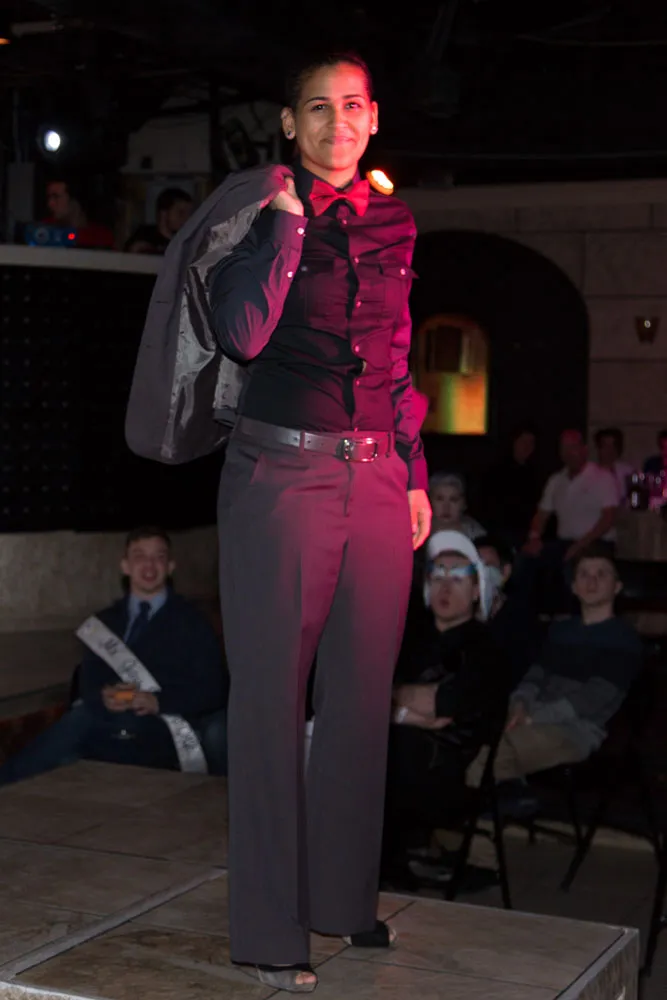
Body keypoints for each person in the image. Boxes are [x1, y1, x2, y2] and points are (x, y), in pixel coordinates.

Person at [210, 51, 431, 992]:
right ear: (290, 124)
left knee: (360, 701)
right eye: (316, 107)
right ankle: (268, 931)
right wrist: (286, 229)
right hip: (281, 479)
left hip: (378, 477)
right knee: (270, 707)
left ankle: (341, 899)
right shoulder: (256, 212)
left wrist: (414, 472)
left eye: (351, 106)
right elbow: (240, 333)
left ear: (372, 117)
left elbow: (397, 358)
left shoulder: (394, 221)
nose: (336, 122)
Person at [0, 527, 228, 785]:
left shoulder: (193, 623)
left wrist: (158, 702)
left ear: (170, 566)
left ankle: (7, 780)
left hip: (165, 727)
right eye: (140, 556)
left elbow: (213, 689)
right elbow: (88, 683)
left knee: (81, 729)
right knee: (73, 745)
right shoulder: (103, 623)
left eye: (159, 557)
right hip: (111, 718)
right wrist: (105, 696)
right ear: (125, 566)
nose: (149, 565)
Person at [384, 530, 509, 883]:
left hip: (446, 774)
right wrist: (408, 711)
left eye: (457, 577)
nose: (445, 586)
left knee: (390, 751)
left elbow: (443, 705)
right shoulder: (410, 638)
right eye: (437, 575)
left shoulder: (485, 649)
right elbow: (367, 691)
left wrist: (393, 702)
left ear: (477, 590)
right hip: (398, 756)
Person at [468, 546, 642, 793]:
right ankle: (509, 796)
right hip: (531, 715)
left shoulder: (623, 639)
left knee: (493, 751)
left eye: (602, 574)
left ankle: (505, 801)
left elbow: (593, 698)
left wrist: (533, 717)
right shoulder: (561, 631)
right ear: (574, 586)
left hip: (576, 729)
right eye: (584, 574)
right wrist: (520, 704)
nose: (592, 581)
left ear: (617, 586)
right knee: (472, 737)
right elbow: (536, 674)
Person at [519, 429, 618, 613]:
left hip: (596, 543)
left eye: (573, 447)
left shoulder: (602, 477)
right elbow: (541, 515)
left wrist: (581, 544)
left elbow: (608, 518)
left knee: (572, 566)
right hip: (565, 542)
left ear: (584, 449)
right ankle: (529, 618)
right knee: (526, 560)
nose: (568, 453)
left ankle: (571, 618)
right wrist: (534, 537)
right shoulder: (556, 480)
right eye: (564, 448)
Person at [476, 535, 541, 687]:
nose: (480, 574)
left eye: (488, 566)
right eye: (475, 567)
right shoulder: (457, 615)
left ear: (505, 572)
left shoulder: (521, 620)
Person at [482, 424, 541, 549]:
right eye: (523, 442)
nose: (527, 447)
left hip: (526, 533)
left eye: (531, 443)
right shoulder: (497, 471)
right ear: (514, 442)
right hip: (502, 533)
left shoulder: (534, 473)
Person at [44, 179, 115, 250]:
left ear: (74, 200)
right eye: (49, 197)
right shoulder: (44, 230)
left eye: (56, 197)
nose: (50, 203)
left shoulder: (100, 236)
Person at [125, 188, 194, 254]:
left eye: (189, 214)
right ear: (163, 213)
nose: (186, 218)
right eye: (181, 213)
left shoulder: (187, 241)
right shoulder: (143, 235)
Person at [429, 472, 485, 539]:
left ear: (464, 504)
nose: (446, 507)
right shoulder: (420, 531)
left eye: (453, 500)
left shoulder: (475, 532)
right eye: (440, 499)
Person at [595, 427, 633, 503]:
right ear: (599, 448)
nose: (609, 450)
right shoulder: (589, 474)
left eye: (613, 446)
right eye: (605, 446)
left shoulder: (628, 471)